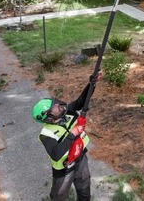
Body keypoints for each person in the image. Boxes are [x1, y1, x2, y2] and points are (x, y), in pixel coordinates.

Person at [32, 73, 99, 201]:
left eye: (55, 104)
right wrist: (73, 134)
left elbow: (81, 101)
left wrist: (92, 84)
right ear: (49, 118)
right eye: (54, 108)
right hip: (64, 168)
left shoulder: (66, 112)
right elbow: (56, 153)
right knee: (58, 196)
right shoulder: (46, 134)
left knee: (84, 188)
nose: (58, 106)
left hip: (80, 158)